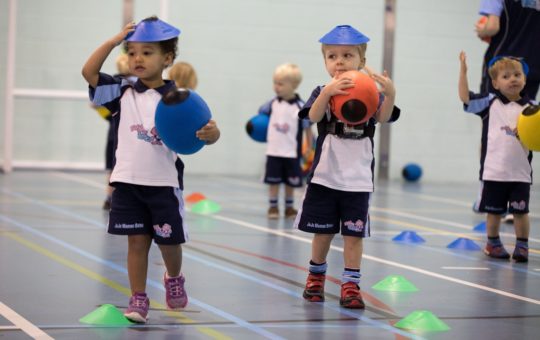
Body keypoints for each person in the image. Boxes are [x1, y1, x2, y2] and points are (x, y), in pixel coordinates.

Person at [81, 16, 220, 323]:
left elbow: (207, 130)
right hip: (127, 182)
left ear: (167, 58)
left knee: (170, 243)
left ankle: (173, 278)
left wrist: (213, 134)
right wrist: (114, 40)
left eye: (147, 52)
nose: (137, 58)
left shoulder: (178, 99)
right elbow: (88, 72)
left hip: (163, 184)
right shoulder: (121, 91)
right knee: (136, 242)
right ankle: (138, 298)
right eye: (132, 52)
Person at [294, 25, 399, 309]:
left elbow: (385, 117)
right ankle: (315, 276)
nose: (339, 61)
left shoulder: (369, 91)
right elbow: (311, 116)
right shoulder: (322, 90)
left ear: (361, 61)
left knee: (353, 235)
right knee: (323, 231)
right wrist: (328, 93)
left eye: (347, 55)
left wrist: (389, 94)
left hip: (358, 180)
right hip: (326, 178)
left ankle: (351, 284)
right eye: (331, 56)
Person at [459, 51, 534, 262]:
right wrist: (463, 72)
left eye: (517, 75)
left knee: (521, 212)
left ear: (525, 79)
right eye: (506, 76)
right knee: (494, 213)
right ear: (495, 83)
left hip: (520, 173)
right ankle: (492, 243)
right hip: (494, 172)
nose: (513, 79)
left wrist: (527, 136)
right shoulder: (489, 103)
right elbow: (465, 98)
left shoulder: (532, 108)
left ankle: (522, 245)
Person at [259, 63, 313, 219]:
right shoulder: (271, 104)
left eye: (281, 84)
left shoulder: (300, 106)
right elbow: (260, 116)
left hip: (291, 153)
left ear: (294, 85)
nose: (276, 87)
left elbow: (308, 127)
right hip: (273, 151)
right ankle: (273, 207)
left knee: (291, 183)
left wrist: (309, 146)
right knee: (273, 182)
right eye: (275, 83)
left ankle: (289, 208)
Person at [476, 0, 540, 100]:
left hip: (502, 64)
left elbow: (492, 27)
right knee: (524, 112)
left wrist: (483, 31)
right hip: (533, 64)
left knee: (493, 110)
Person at [95, 53, 134, 210]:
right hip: (126, 133)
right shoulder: (134, 83)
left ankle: (109, 198)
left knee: (113, 167)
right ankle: (118, 198)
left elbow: (96, 103)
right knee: (123, 166)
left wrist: (108, 113)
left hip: (114, 131)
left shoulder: (113, 82)